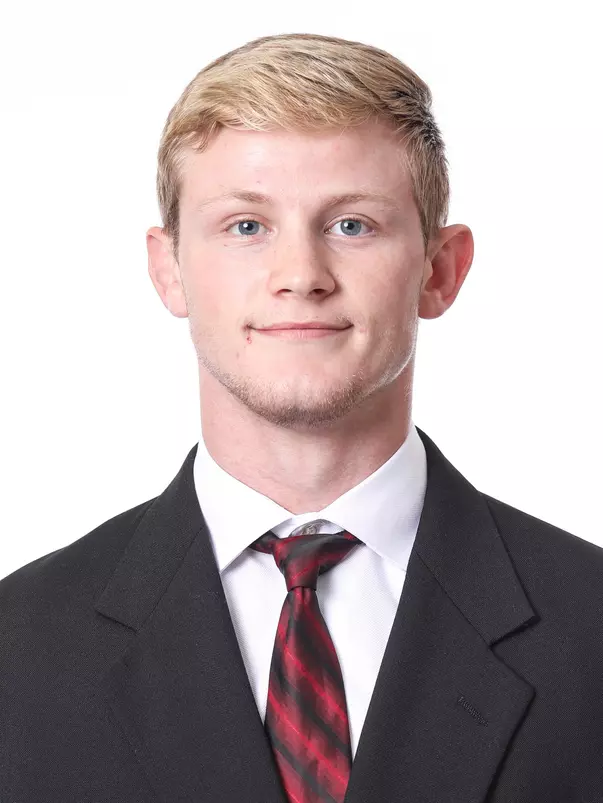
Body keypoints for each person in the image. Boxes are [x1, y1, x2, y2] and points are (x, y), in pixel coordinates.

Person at [1, 31, 602, 803]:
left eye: (351, 224)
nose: (300, 276)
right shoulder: (21, 646)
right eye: (246, 226)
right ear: (168, 268)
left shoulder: (589, 629)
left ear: (440, 270)